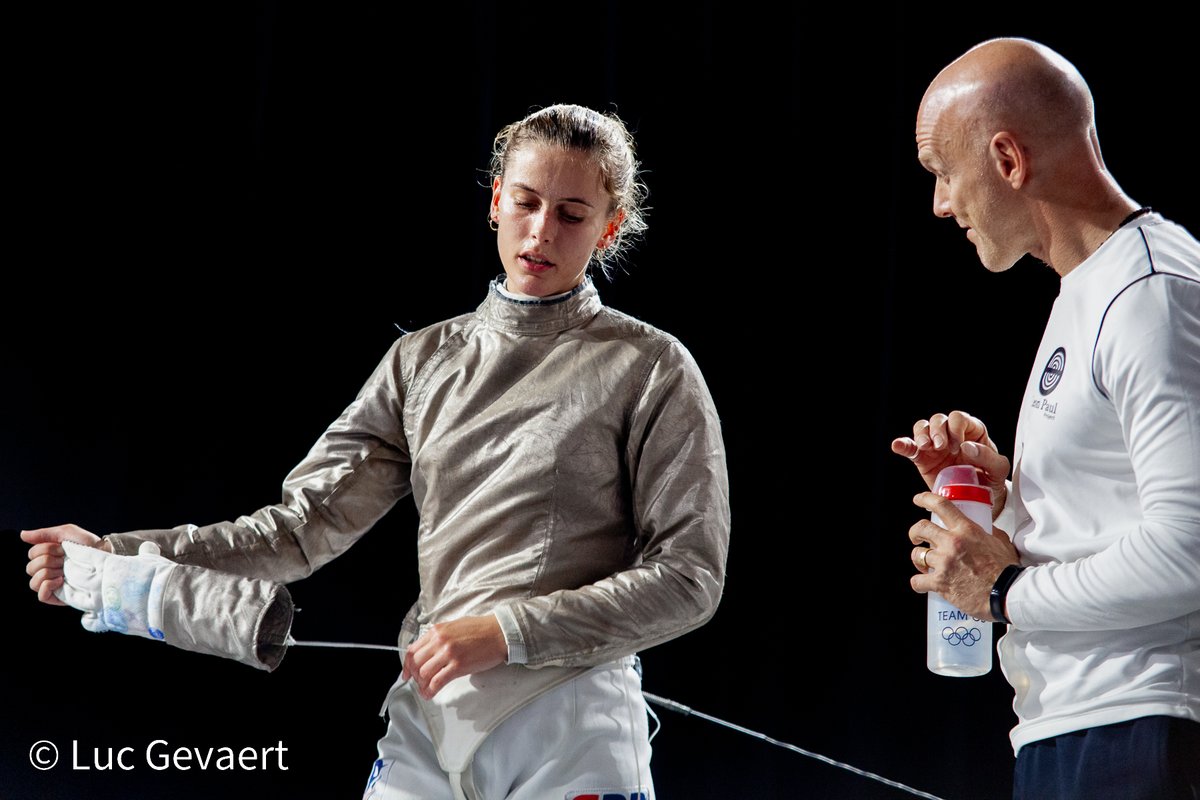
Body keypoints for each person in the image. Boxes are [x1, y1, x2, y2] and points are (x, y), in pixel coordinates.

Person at [22, 103, 731, 800]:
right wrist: (110, 558)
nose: (542, 230)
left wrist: (508, 632)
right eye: (525, 202)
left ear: (607, 231)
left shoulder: (650, 368)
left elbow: (688, 578)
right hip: (429, 713)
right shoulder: (421, 362)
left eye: (573, 215)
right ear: (495, 202)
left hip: (570, 720)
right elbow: (300, 529)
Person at [891, 38, 1200, 799]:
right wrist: (1009, 494)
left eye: (942, 171)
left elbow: (1192, 550)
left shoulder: (1152, 294)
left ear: (1006, 159)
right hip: (1078, 728)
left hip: (1141, 727)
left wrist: (1001, 590)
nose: (939, 203)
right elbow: (1111, 511)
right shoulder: (1093, 287)